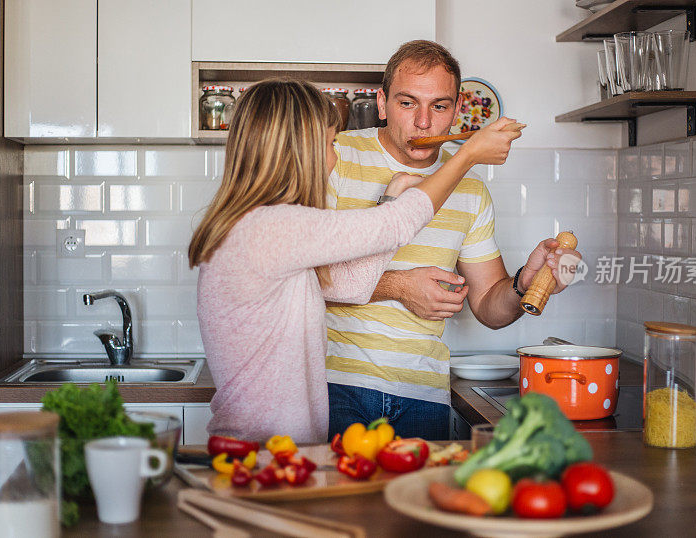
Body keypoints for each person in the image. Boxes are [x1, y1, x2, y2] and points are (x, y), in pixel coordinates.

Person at [188, 79, 521, 443]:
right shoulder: (270, 227)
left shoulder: (260, 226)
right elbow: (398, 225)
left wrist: (392, 197)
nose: (335, 155)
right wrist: (467, 155)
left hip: (280, 451)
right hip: (258, 453)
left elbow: (354, 280)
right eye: (330, 143)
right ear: (300, 149)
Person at [326, 41, 582, 440]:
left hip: (423, 394)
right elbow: (300, 277)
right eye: (408, 103)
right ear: (382, 102)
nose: (424, 123)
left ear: (457, 108)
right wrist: (400, 287)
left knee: (421, 504)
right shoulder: (336, 156)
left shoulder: (472, 191)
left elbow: (488, 306)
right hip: (334, 383)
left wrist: (524, 282)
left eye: (440, 106)